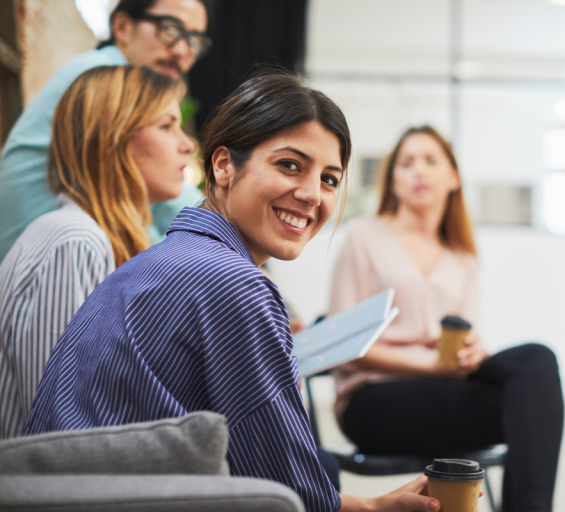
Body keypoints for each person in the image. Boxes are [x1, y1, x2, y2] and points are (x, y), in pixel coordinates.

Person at [25, 73, 451, 512]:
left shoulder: (160, 260)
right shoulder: (234, 281)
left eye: (329, 179)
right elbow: (289, 486)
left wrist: (371, 506)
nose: (312, 194)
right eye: (290, 165)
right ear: (224, 165)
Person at [327, 126, 565, 512]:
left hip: (445, 391)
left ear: (453, 178)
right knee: (525, 410)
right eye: (407, 163)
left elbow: (463, 338)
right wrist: (429, 366)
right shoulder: (363, 237)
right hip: (375, 399)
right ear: (393, 180)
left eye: (430, 161)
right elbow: (342, 346)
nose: (418, 171)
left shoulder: (462, 256)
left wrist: (472, 353)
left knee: (536, 361)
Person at [0, 65, 194, 439]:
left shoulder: (99, 241)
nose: (187, 144)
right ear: (113, 137)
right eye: (166, 126)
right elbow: (62, 430)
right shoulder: (74, 240)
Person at [0, 0, 211, 261]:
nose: (181, 50)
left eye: (194, 41)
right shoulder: (103, 81)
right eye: (170, 29)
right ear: (122, 27)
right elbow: (180, 210)